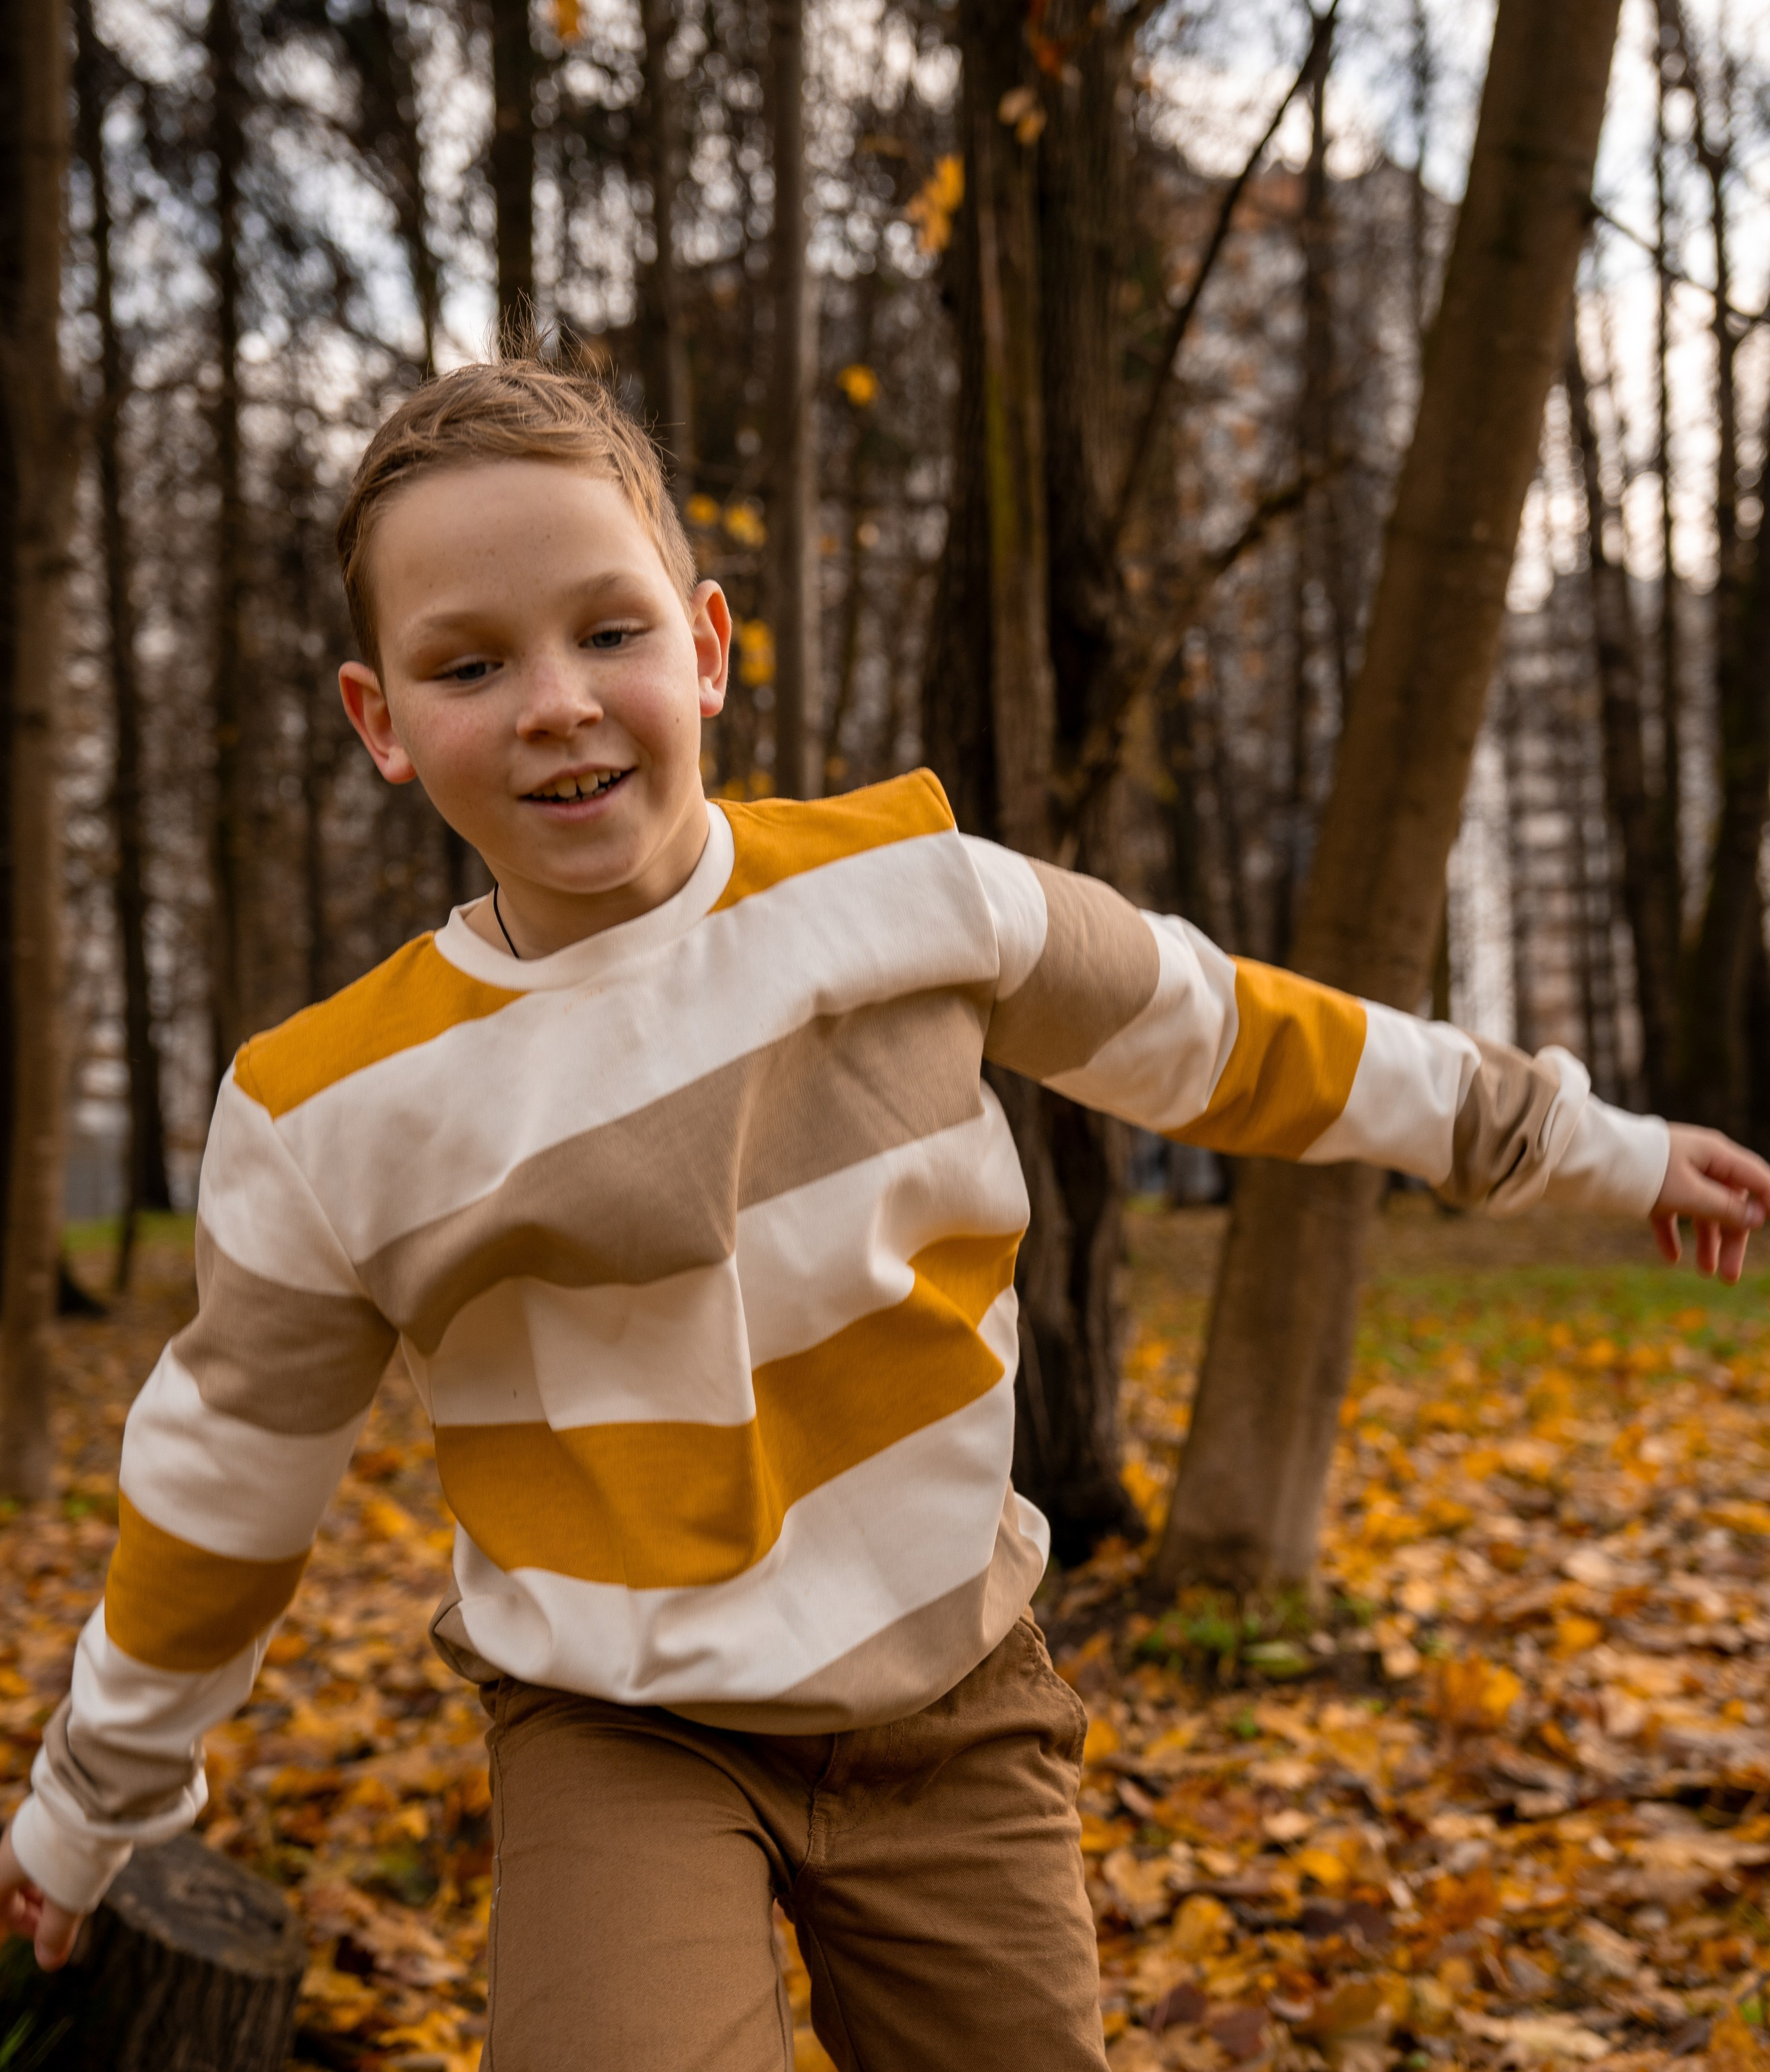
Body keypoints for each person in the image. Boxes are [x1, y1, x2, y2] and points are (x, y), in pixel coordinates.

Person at [4, 355, 1767, 2072]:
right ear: (381, 720)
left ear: (702, 649)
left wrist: (1584, 1144)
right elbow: (224, 1482)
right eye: (471, 662)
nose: (554, 700)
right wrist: (96, 1804)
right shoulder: (333, 1106)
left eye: (607, 632)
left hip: (949, 1693)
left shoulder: (905, 890)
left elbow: (1229, 1036)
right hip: (624, 1730)